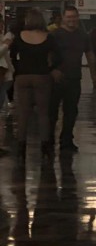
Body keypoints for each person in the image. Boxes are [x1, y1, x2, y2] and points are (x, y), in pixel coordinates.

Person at [10, 10, 56, 158]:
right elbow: (58, 57)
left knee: (23, 113)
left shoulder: (19, 37)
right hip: (42, 76)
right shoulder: (48, 37)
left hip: (23, 76)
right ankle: (45, 147)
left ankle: (21, 147)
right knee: (43, 114)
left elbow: (12, 56)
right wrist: (49, 69)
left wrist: (18, 69)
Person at [50, 6, 94, 153]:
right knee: (52, 112)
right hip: (55, 80)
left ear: (78, 17)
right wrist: (52, 70)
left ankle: (67, 140)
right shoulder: (54, 35)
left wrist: (94, 75)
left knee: (71, 112)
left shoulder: (83, 35)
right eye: (69, 17)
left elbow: (89, 54)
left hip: (74, 78)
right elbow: (45, 54)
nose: (71, 20)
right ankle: (49, 141)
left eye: (74, 17)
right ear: (63, 18)